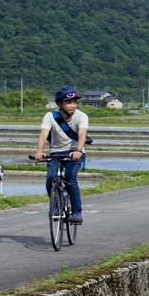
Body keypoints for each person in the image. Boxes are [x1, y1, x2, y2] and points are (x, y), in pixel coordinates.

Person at [34, 86, 88, 224]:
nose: (73, 105)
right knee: (50, 178)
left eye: (75, 102)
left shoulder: (81, 116)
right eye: (69, 102)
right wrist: (39, 151)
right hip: (56, 153)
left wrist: (79, 150)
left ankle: (76, 212)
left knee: (70, 178)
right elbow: (43, 134)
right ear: (60, 104)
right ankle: (56, 206)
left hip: (74, 152)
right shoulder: (50, 116)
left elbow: (82, 134)